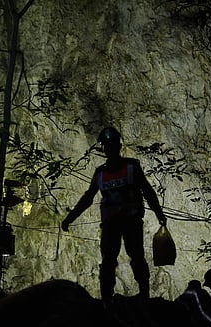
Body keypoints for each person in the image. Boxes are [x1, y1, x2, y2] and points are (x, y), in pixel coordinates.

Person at [61, 126, 167, 306]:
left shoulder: (119, 169)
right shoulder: (108, 171)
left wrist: (159, 213)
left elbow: (147, 192)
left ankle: (113, 299)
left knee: (119, 259)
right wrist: (70, 218)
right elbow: (88, 198)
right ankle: (130, 296)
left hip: (125, 223)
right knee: (121, 259)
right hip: (118, 224)